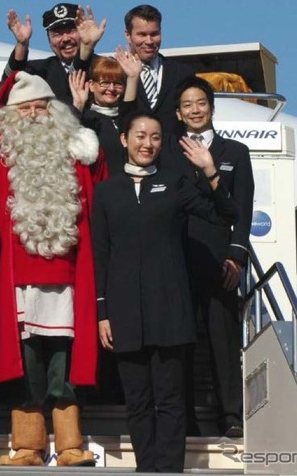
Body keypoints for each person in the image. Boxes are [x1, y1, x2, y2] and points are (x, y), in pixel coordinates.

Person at [91, 112, 238, 472]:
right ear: (124, 140)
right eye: (140, 136)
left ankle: (169, 469)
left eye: (155, 138)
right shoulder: (107, 191)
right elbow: (101, 254)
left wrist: (209, 170)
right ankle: (147, 467)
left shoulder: (175, 184)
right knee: (138, 400)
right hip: (125, 311)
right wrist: (102, 312)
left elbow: (226, 214)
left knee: (171, 399)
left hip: (171, 308)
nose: (148, 144)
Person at [0, 71, 106, 467]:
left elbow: (99, 183)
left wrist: (85, 119)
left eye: (41, 107)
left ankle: (70, 445)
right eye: (26, 109)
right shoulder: (1, 153)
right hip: (20, 278)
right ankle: (28, 446)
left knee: (64, 363)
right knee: (27, 361)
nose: (34, 115)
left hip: (69, 276)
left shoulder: (75, 151)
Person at [162, 76, 254, 438]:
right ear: (178, 112)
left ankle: (231, 415)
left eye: (200, 103)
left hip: (219, 258)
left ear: (211, 107)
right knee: (180, 339)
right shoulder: (169, 150)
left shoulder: (235, 152)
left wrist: (237, 255)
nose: (195, 110)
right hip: (175, 255)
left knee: (223, 338)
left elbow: (243, 211)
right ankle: (185, 418)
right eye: (187, 105)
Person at [3, 3, 106, 105]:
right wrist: (22, 44)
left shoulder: (105, 67)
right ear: (49, 40)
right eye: (57, 34)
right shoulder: (39, 70)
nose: (66, 39)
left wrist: (86, 47)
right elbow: (7, 86)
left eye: (71, 31)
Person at [124, 4, 195, 136]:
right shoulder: (115, 74)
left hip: (175, 153)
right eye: (142, 34)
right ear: (128, 35)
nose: (149, 41)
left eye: (154, 34)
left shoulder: (182, 73)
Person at [69, 49, 142, 174]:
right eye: (105, 83)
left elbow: (129, 107)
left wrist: (133, 77)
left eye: (118, 84)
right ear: (91, 85)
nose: (111, 89)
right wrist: (78, 105)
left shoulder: (128, 118)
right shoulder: (85, 118)